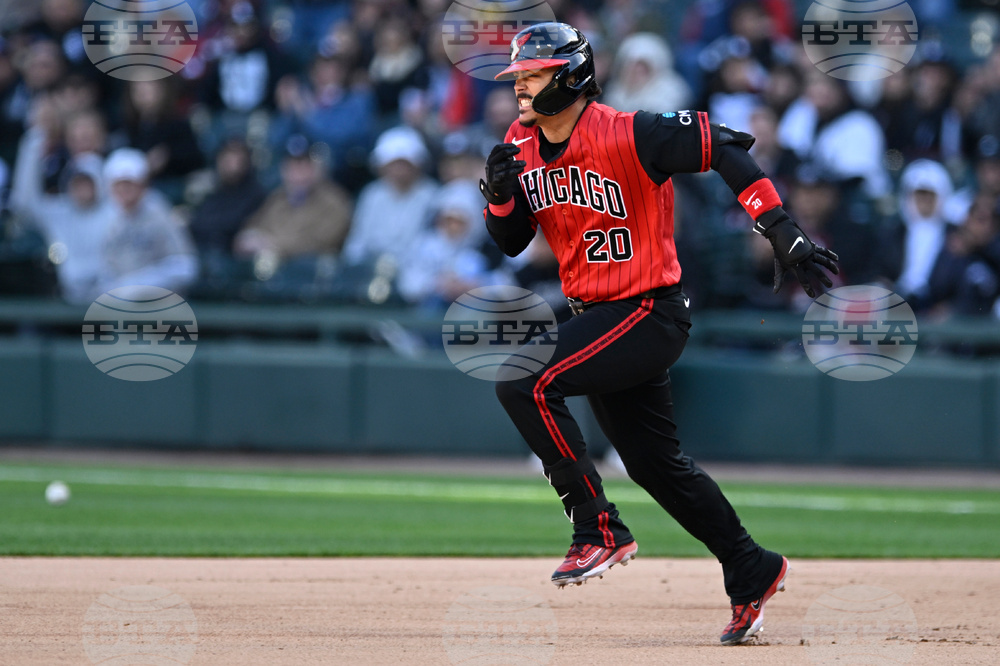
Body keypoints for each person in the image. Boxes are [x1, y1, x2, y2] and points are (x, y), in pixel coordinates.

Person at [480, 23, 838, 645]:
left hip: (648, 311)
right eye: (518, 76)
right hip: (598, 315)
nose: (519, 87)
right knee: (655, 465)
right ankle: (751, 567)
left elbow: (724, 146)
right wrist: (500, 198)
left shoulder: (629, 131)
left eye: (532, 75)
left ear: (569, 76)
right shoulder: (520, 141)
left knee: (523, 379)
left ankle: (597, 526)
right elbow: (511, 243)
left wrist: (780, 228)